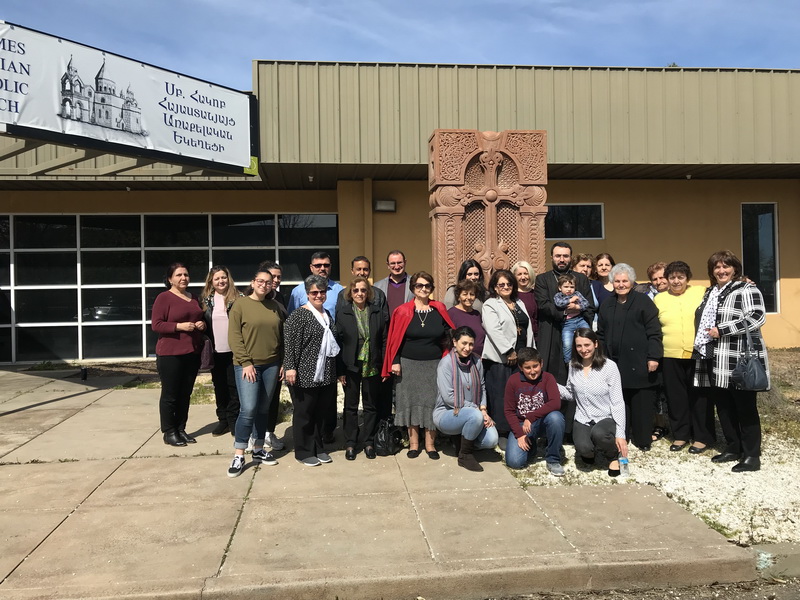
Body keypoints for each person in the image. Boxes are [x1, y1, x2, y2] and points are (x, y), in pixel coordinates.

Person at [693, 250, 769, 473]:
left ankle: (752, 455)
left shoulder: (747, 289)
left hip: (738, 357)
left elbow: (757, 317)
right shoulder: (711, 292)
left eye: (726, 266)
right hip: (713, 357)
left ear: (735, 268)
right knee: (724, 407)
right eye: (716, 266)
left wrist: (723, 330)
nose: (721, 270)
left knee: (745, 407)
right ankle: (733, 447)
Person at [383, 271, 455, 459]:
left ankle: (430, 445)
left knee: (431, 403)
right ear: (413, 288)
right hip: (408, 365)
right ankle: (414, 444)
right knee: (410, 403)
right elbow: (394, 339)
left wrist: (447, 359)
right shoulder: (403, 311)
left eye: (427, 286)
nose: (423, 289)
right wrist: (395, 361)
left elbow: (449, 336)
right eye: (419, 286)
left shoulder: (439, 308)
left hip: (434, 365)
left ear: (431, 288)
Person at [597, 263, 663, 451]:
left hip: (640, 361)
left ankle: (642, 439)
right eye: (617, 281)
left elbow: (654, 332)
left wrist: (654, 357)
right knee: (620, 401)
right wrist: (601, 358)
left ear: (632, 282)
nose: (621, 284)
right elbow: (601, 334)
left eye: (624, 280)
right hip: (615, 362)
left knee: (641, 401)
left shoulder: (643, 302)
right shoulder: (607, 304)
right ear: (612, 283)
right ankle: (622, 436)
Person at [225, 269, 285, 478]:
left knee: (263, 408)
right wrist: (246, 363)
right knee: (248, 409)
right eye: (261, 281)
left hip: (271, 364)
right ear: (253, 282)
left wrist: (283, 362)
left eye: (269, 282)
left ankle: (259, 449)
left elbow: (282, 336)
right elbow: (234, 336)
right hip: (246, 365)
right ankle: (239, 454)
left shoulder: (275, 307)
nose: (265, 285)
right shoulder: (240, 305)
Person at [654, 261, 712, 453]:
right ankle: (680, 435)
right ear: (667, 279)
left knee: (699, 396)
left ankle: (701, 436)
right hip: (670, 354)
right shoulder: (659, 299)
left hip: (697, 354)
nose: (676, 281)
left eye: (681, 277)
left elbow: (723, 291)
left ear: (688, 278)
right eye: (672, 277)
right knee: (676, 397)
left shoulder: (701, 292)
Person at [284, 274, 341, 467]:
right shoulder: (299, 315)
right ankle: (304, 451)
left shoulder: (327, 314)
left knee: (320, 413)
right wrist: (290, 367)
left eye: (322, 292)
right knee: (304, 413)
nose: (318, 295)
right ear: (307, 294)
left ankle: (318, 447)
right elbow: (290, 343)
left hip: (325, 373)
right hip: (304, 372)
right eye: (314, 292)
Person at [558, 328, 629, 477]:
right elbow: (571, 394)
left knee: (600, 434)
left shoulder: (609, 367)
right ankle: (592, 450)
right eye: (579, 346)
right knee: (584, 449)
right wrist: (551, 385)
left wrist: (621, 434)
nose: (583, 350)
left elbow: (617, 402)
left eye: (587, 345)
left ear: (595, 344)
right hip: (583, 418)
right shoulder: (573, 365)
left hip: (606, 417)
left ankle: (612, 456)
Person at [151, 262, 206, 447]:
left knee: (185, 393)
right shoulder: (164, 298)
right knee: (170, 394)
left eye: (186, 274)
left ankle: (181, 428)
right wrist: (178, 326)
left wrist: (202, 325)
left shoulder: (194, 298)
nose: (183, 278)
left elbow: (200, 319)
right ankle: (169, 431)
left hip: (192, 352)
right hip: (170, 353)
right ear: (170, 279)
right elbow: (156, 324)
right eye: (179, 275)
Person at [336, 276, 389, 460]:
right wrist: (340, 370)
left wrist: (383, 366)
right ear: (350, 293)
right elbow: (338, 343)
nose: (360, 293)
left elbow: (383, 340)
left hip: (372, 364)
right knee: (350, 406)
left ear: (369, 292)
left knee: (370, 405)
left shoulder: (376, 312)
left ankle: (368, 441)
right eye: (356, 290)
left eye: (363, 290)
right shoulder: (343, 313)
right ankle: (351, 443)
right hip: (350, 365)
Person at [433, 326, 498, 471]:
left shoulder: (476, 361)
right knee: (474, 416)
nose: (467, 348)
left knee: (492, 440)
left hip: (473, 414)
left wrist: (483, 409)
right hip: (447, 413)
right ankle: (465, 455)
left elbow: (481, 387)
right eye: (464, 343)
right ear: (455, 342)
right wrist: (477, 410)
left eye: (470, 344)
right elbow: (449, 398)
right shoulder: (446, 363)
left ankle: (461, 441)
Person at [481, 269, 535, 442]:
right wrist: (508, 351)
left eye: (509, 284)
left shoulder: (519, 302)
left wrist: (530, 353)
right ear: (495, 288)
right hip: (501, 359)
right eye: (501, 284)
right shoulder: (490, 304)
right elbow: (493, 329)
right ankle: (502, 432)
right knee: (501, 396)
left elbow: (528, 328)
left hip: (522, 357)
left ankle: (517, 428)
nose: (505, 287)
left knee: (519, 395)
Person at [534, 242, 595, 387]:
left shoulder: (581, 278)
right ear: (551, 257)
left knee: (578, 375)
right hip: (551, 332)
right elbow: (543, 305)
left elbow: (590, 306)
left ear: (570, 258)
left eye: (565, 256)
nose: (562, 259)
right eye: (558, 256)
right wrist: (566, 311)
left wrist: (578, 309)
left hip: (577, 331)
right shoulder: (543, 279)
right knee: (552, 377)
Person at [503, 347, 565, 476]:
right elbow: (509, 411)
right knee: (515, 462)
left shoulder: (548, 378)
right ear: (520, 367)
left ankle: (553, 459)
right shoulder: (513, 381)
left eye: (535, 366)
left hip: (542, 421)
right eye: (527, 368)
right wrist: (519, 434)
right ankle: (531, 446)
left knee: (556, 417)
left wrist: (530, 417)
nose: (532, 371)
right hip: (522, 425)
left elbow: (555, 403)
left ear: (541, 363)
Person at [201, 265, 243, 437]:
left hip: (234, 351)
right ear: (211, 281)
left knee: (234, 387)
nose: (221, 281)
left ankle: (234, 421)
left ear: (229, 278)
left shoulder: (239, 298)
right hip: (215, 352)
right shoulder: (205, 300)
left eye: (223, 277)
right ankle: (223, 420)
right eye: (217, 278)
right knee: (220, 387)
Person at [287, 251, 345, 319]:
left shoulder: (339, 290)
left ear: (330, 267)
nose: (322, 268)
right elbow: (291, 317)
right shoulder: (298, 291)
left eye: (326, 265)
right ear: (311, 268)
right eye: (318, 266)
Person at [554, 273, 590, 364]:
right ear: (560, 288)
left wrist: (578, 307)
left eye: (571, 287)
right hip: (567, 324)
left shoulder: (577, 294)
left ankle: (592, 358)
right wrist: (570, 300)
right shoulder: (558, 296)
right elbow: (559, 303)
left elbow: (586, 303)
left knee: (589, 336)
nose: (569, 289)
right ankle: (568, 363)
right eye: (566, 286)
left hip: (580, 320)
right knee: (567, 344)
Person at [447, 279, 486, 358]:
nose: (469, 297)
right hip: (460, 359)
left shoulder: (477, 314)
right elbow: (448, 339)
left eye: (472, 294)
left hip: (479, 359)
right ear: (458, 296)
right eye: (465, 294)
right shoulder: (452, 313)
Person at [374, 250, 414, 318]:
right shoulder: (377, 286)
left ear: (405, 262)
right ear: (388, 265)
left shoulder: (415, 283)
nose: (396, 267)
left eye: (399, 262)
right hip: (387, 327)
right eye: (393, 263)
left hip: (409, 326)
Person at [512, 260, 539, 342]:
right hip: (519, 338)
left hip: (536, 337)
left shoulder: (536, 293)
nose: (523, 277)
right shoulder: (511, 295)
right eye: (519, 274)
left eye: (526, 273)